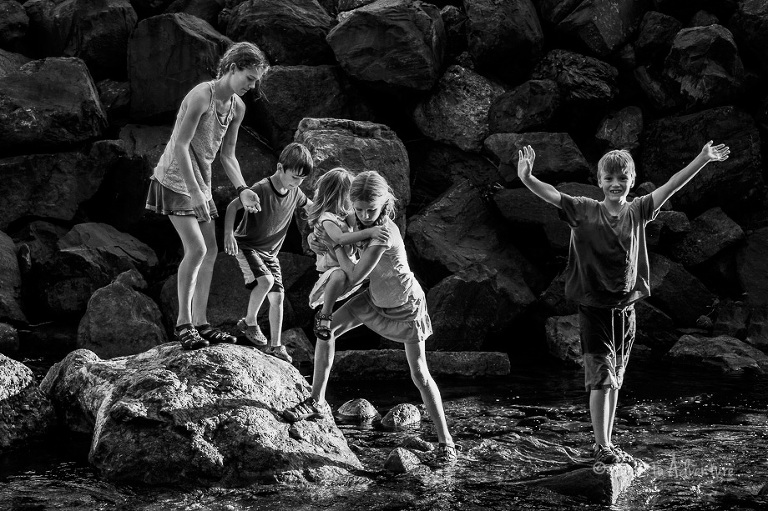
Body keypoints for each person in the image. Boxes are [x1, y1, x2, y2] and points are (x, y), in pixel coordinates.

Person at [517, 142, 730, 466]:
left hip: (625, 312)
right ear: (600, 181)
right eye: (609, 178)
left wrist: (701, 158)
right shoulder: (584, 208)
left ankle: (608, 441)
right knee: (601, 378)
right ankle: (601, 444)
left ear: (631, 181)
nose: (615, 183)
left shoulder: (639, 210)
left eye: (622, 178)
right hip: (594, 310)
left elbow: (672, 183)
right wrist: (528, 179)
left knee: (615, 377)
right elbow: (552, 194)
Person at [282, 171, 458, 467]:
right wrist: (321, 241)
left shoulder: (384, 234)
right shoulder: (356, 218)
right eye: (359, 209)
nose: (364, 215)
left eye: (370, 210)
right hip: (375, 299)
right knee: (327, 329)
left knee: (419, 374)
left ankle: (446, 441)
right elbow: (339, 237)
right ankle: (316, 401)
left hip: (405, 305)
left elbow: (354, 275)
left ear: (384, 203)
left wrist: (335, 245)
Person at [146, 42, 268, 350]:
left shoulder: (237, 107)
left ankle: (201, 323)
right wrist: (195, 192)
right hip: (175, 179)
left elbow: (228, 155)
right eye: (249, 78)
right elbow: (180, 146)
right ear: (232, 68)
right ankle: (183, 324)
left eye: (255, 81)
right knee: (197, 249)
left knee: (211, 250)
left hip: (201, 182)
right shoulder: (202, 95)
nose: (252, 86)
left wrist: (243, 189)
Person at [223, 142, 315, 363]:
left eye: (302, 179)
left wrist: (331, 216)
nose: (297, 183)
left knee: (278, 297)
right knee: (265, 281)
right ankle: (249, 322)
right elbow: (232, 207)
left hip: (270, 254)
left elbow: (311, 207)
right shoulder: (261, 188)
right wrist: (228, 235)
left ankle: (276, 346)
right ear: (280, 168)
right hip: (247, 245)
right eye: (294, 177)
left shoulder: (295, 192)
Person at [305, 168, 389, 340]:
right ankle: (325, 314)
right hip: (332, 269)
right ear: (338, 196)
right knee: (338, 275)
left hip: (349, 267)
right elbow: (340, 239)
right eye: (350, 196)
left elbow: (356, 223)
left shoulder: (345, 215)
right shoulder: (327, 218)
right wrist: (370, 232)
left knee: (350, 274)